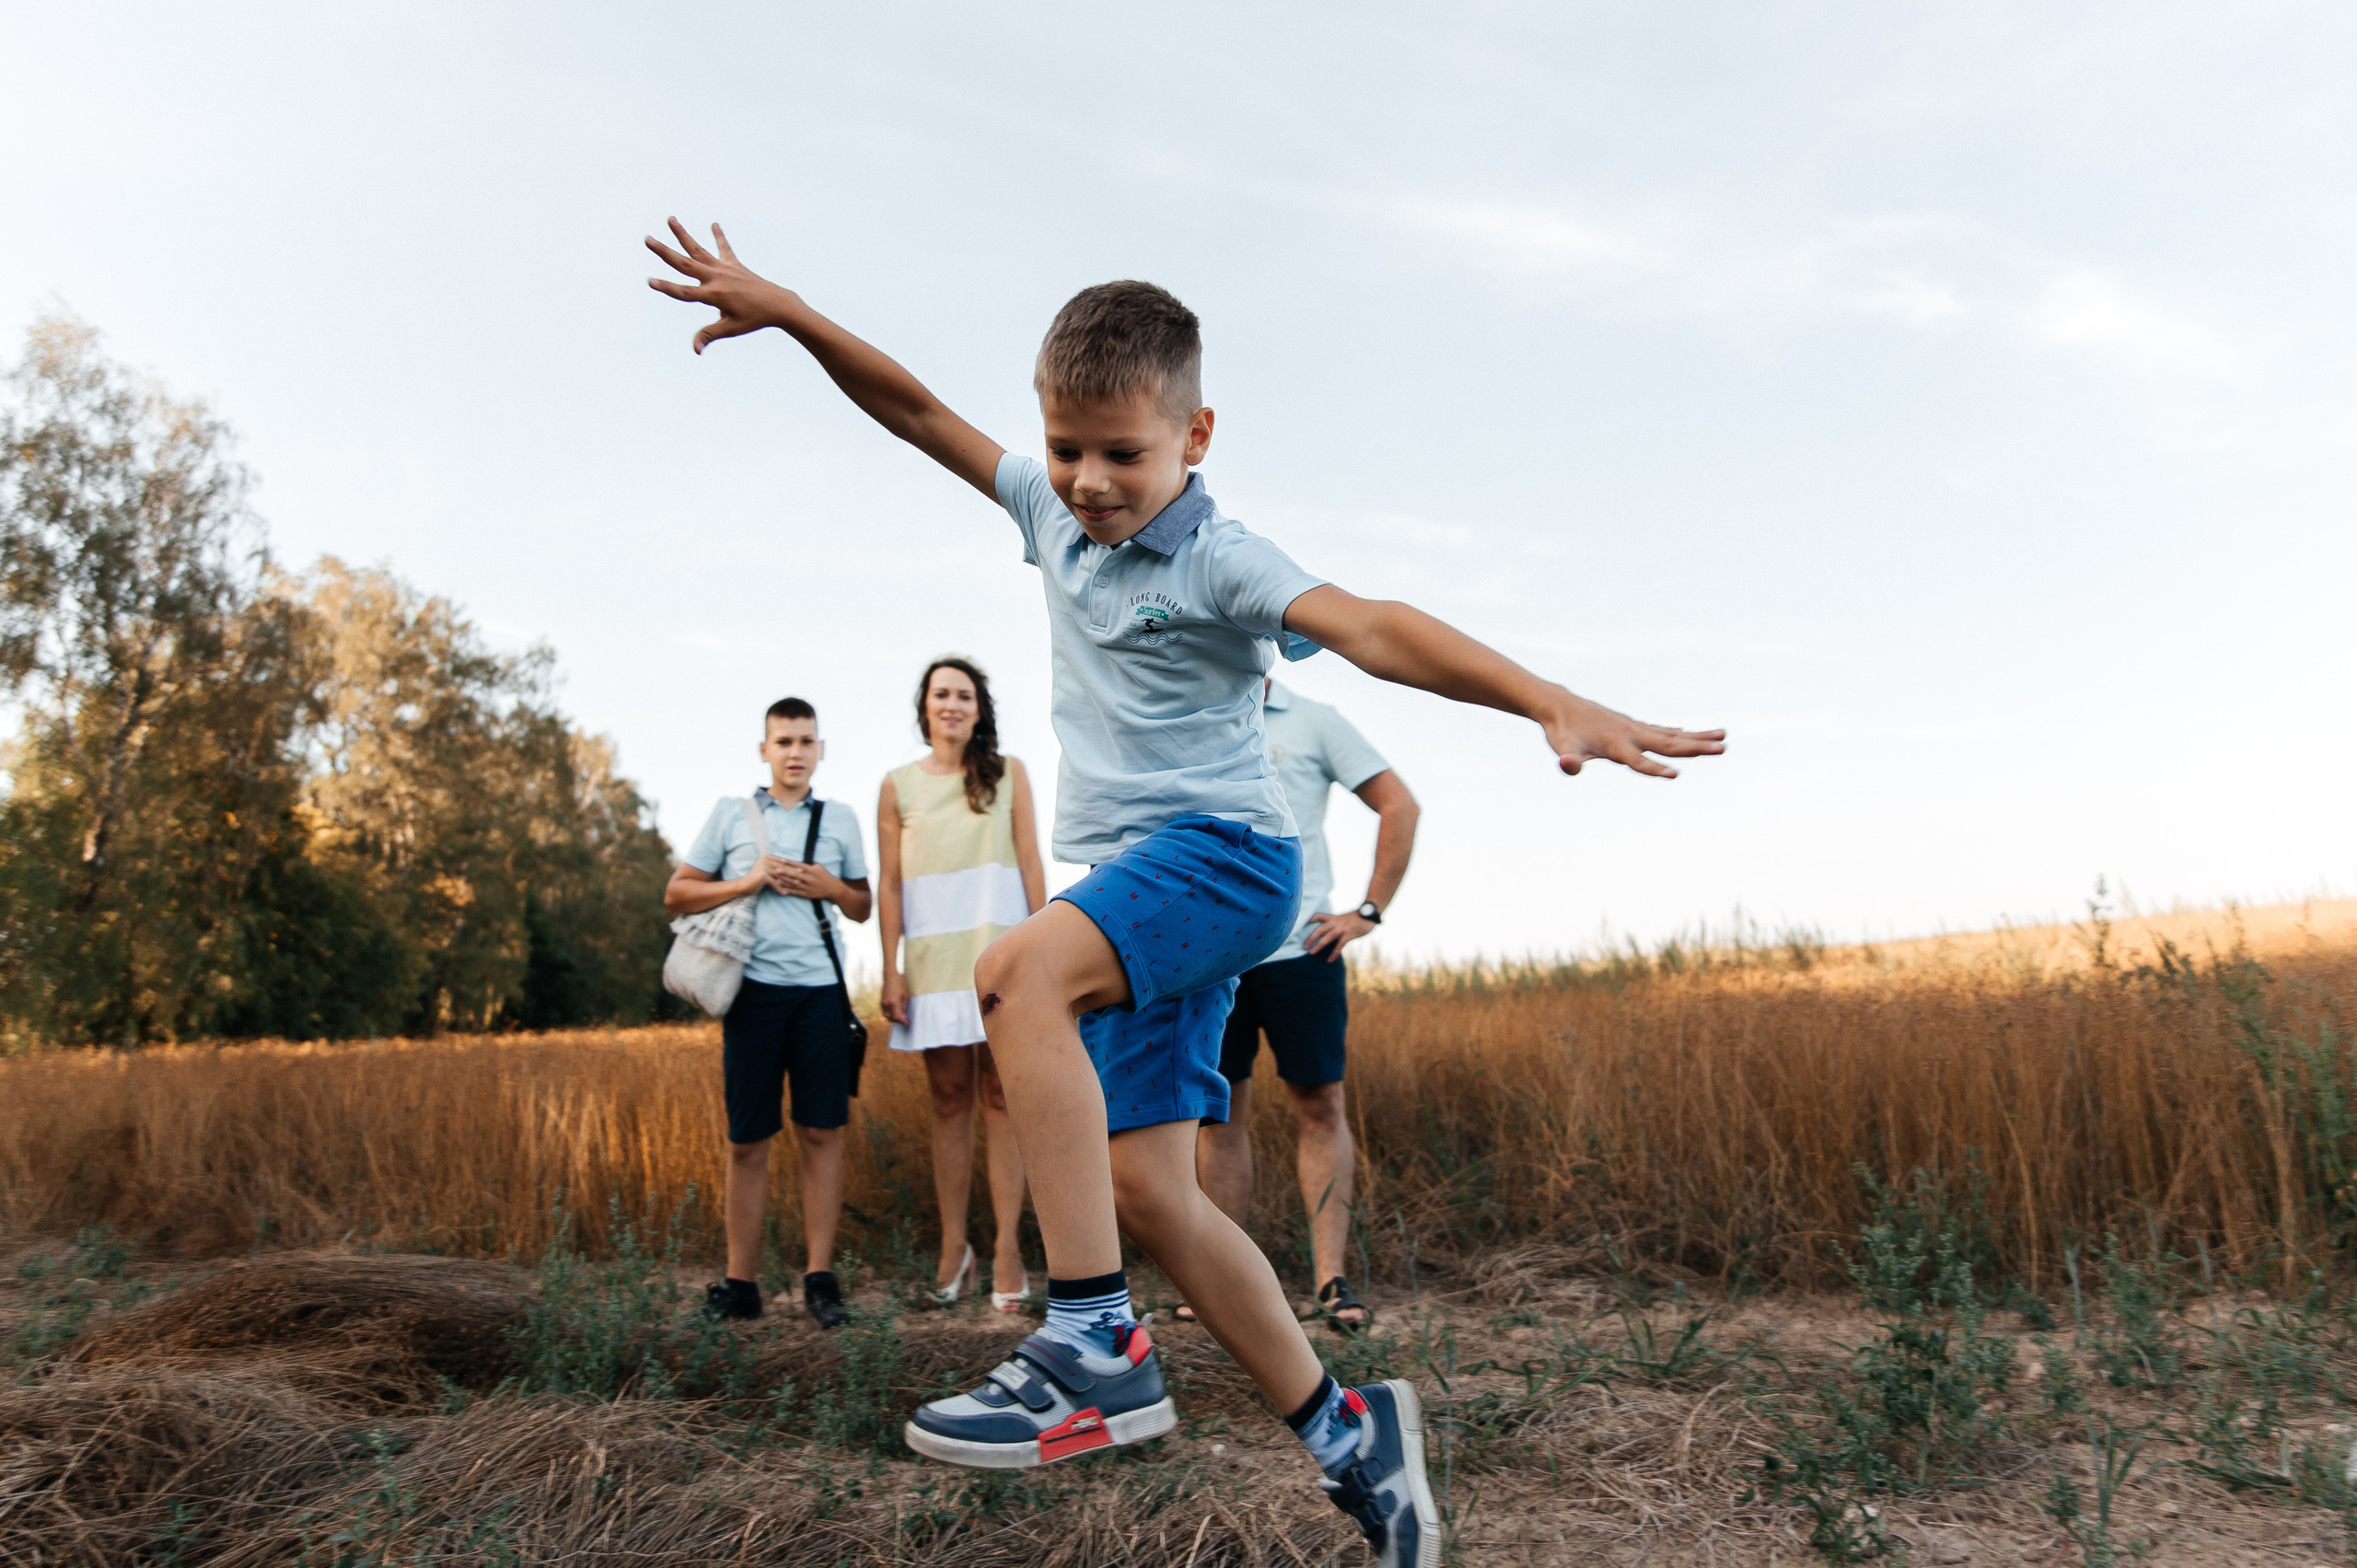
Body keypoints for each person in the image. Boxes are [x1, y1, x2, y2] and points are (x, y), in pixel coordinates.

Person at [647, 221, 1723, 1568]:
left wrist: (1542, 695)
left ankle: (1092, 1336)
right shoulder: (1050, 515)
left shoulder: (1223, 558)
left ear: (1194, 435)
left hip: (1229, 857)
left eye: (1123, 453)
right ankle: (1351, 1436)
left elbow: (1372, 625)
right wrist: (798, 314)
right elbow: (915, 410)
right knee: (1151, 1189)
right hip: (1143, 886)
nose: (1090, 481)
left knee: (1014, 971)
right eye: (1066, 449)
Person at [1188, 679, 1416, 1334]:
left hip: (1303, 950)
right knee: (1218, 1118)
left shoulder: (1316, 720)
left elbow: (1400, 804)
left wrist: (1367, 911)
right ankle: (1222, 1286)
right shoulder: (1188, 716)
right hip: (1212, 956)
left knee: (1320, 1108)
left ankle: (1329, 1280)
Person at [665, 696, 873, 1330]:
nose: (795, 752)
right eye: (783, 741)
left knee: (821, 1134)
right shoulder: (730, 814)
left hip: (821, 996)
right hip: (751, 994)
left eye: (806, 741)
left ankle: (820, 1280)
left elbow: (863, 905)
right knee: (747, 1140)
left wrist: (830, 888)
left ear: (821, 749)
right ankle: (741, 1284)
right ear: (764, 750)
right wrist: (747, 881)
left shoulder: (840, 818)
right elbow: (677, 893)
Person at [877, 656, 1047, 1311]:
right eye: (941, 693)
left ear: (980, 710)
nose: (952, 704)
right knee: (948, 1097)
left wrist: (1044, 957)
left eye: (964, 695)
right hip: (933, 961)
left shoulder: (1010, 773)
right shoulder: (896, 786)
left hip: (1001, 955)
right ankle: (954, 1246)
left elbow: (1030, 863)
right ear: (925, 706)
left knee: (1002, 1094)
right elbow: (890, 883)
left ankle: (1006, 1247)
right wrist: (890, 967)